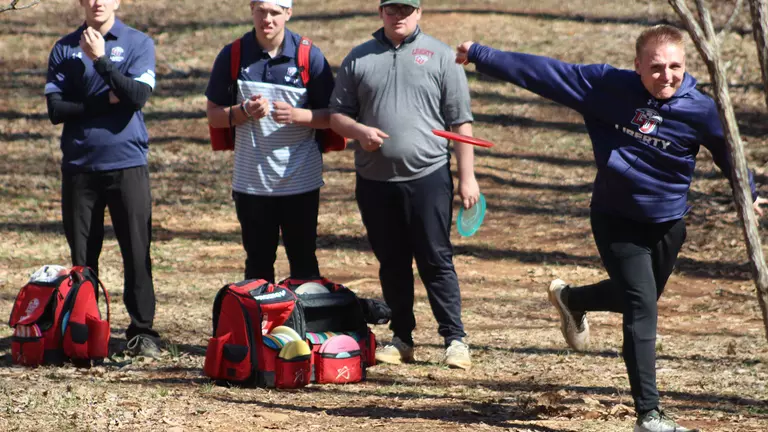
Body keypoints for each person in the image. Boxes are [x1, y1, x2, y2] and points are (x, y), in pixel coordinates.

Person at [456, 25, 767, 432]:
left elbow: (727, 150)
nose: (666, 76)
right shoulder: (605, 87)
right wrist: (481, 53)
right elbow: (545, 73)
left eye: (675, 66)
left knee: (639, 297)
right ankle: (649, 415)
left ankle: (571, 298)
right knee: (642, 306)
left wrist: (750, 189)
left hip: (668, 222)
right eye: (656, 68)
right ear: (637, 66)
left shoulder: (701, 108)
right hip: (616, 218)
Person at [330, 0, 480, 370]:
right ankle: (402, 338)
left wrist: (467, 176)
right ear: (381, 12)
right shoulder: (359, 58)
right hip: (375, 181)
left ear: (420, 12)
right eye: (391, 9)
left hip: (428, 177)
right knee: (392, 262)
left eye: (406, 9)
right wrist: (359, 131)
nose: (399, 16)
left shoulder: (441, 56)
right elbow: (336, 116)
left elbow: (460, 122)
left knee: (435, 259)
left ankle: (455, 339)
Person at [45, 0, 162, 357]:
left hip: (127, 163)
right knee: (82, 258)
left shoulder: (138, 43)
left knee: (137, 251)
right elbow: (56, 110)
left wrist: (100, 60)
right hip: (80, 166)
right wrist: (107, 100)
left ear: (118, 1)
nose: (97, 2)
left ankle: (142, 332)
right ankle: (83, 329)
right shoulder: (64, 48)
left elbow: (137, 96)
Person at [205, 0, 335, 284]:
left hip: (300, 182)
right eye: (261, 11)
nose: (268, 19)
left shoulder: (308, 55)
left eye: (275, 12)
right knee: (258, 266)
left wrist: (298, 115)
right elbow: (214, 116)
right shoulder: (233, 55)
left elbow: (333, 117)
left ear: (288, 13)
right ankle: (257, 326)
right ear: (251, 9)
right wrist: (243, 112)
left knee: (304, 264)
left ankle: (302, 327)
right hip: (251, 184)